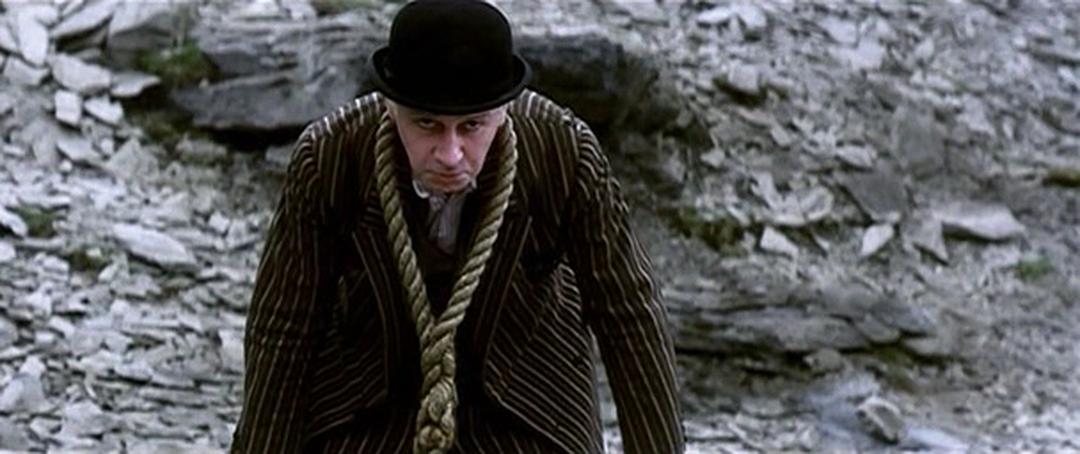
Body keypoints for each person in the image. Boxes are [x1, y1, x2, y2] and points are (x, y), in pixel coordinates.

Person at [231, 0, 685, 452]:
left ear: (504, 111)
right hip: (373, 392)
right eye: (427, 124)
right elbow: (284, 327)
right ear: (390, 107)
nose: (450, 155)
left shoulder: (564, 154)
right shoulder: (330, 158)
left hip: (529, 394)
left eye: (471, 126)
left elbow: (629, 313)